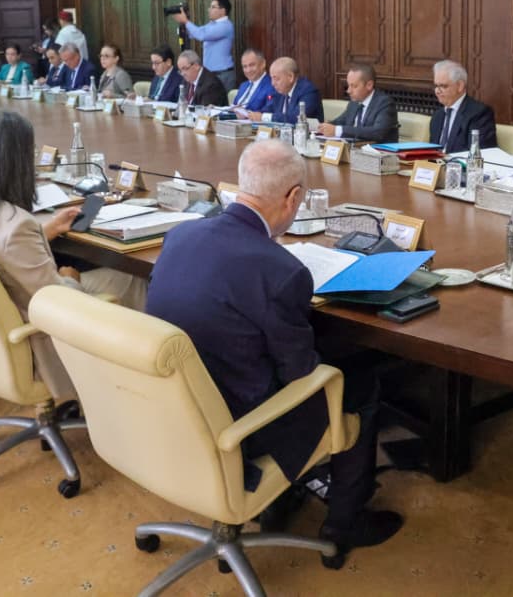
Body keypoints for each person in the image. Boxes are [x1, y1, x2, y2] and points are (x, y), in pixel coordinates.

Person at [146, 139, 403, 559]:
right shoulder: (281, 270)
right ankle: (346, 520)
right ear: (293, 197)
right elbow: (301, 374)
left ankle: (281, 499)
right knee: (358, 383)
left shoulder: (180, 236)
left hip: (175, 410)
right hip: (239, 430)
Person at [0, 110, 145, 402]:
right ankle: (131, 389)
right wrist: (70, 278)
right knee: (132, 278)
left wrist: (45, 230)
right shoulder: (17, 226)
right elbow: (59, 302)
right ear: (18, 163)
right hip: (41, 335)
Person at [317, 63, 399, 142]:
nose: (348, 91)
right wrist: (321, 127)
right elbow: (340, 122)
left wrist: (338, 130)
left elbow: (377, 132)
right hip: (355, 149)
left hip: (377, 150)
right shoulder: (354, 102)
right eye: (348, 85)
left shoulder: (385, 103)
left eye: (354, 86)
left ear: (369, 85)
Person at [429, 60, 496, 152]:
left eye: (443, 86)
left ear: (460, 86)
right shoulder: (438, 116)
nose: (437, 91)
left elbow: (478, 153)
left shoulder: (479, 114)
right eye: (436, 86)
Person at [171, 0, 236, 92]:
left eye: (213, 7)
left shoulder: (226, 26)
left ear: (222, 11)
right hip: (212, 74)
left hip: (222, 74)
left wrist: (186, 21)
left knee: (218, 100)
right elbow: (194, 33)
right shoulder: (212, 25)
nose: (209, 10)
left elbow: (201, 35)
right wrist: (183, 24)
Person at [251, 57, 323, 126]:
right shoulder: (280, 91)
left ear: (290, 77)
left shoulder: (308, 91)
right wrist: (255, 115)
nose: (273, 83)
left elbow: (297, 118)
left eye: (276, 79)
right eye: (271, 78)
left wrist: (264, 117)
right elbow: (269, 109)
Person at [231, 48, 278, 113]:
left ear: (263, 64)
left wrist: (247, 114)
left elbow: (270, 109)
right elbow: (234, 106)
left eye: (252, 65)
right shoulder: (243, 85)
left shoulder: (272, 84)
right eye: (245, 66)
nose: (248, 70)